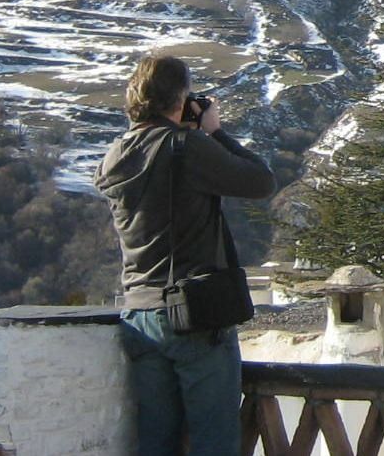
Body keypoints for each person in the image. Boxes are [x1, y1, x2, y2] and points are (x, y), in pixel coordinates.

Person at [96, 54, 276, 456]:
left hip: (139, 316)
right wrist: (214, 132)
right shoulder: (185, 147)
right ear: (179, 98)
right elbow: (261, 181)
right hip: (194, 315)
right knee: (214, 443)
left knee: (156, 443)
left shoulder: (115, 155)